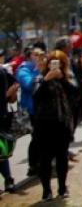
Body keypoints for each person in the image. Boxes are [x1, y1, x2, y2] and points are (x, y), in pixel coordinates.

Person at [33, 50, 76, 201]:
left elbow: (75, 93)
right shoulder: (40, 78)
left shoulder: (68, 77)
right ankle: (46, 191)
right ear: (48, 63)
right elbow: (36, 97)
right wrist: (46, 80)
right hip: (44, 124)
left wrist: (62, 79)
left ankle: (62, 187)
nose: (56, 66)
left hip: (62, 124)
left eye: (59, 63)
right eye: (53, 62)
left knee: (61, 157)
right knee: (44, 159)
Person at [18, 47, 42, 177]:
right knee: (36, 138)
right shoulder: (23, 70)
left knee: (41, 137)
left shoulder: (39, 68)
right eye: (36, 55)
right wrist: (38, 70)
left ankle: (40, 163)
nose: (38, 57)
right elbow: (28, 85)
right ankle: (33, 165)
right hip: (32, 110)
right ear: (29, 57)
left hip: (42, 108)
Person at [0, 53, 19, 191]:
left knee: (2, 151)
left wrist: (11, 95)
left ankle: (8, 179)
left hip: (1, 117)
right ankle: (8, 179)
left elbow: (15, 83)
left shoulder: (2, 72)